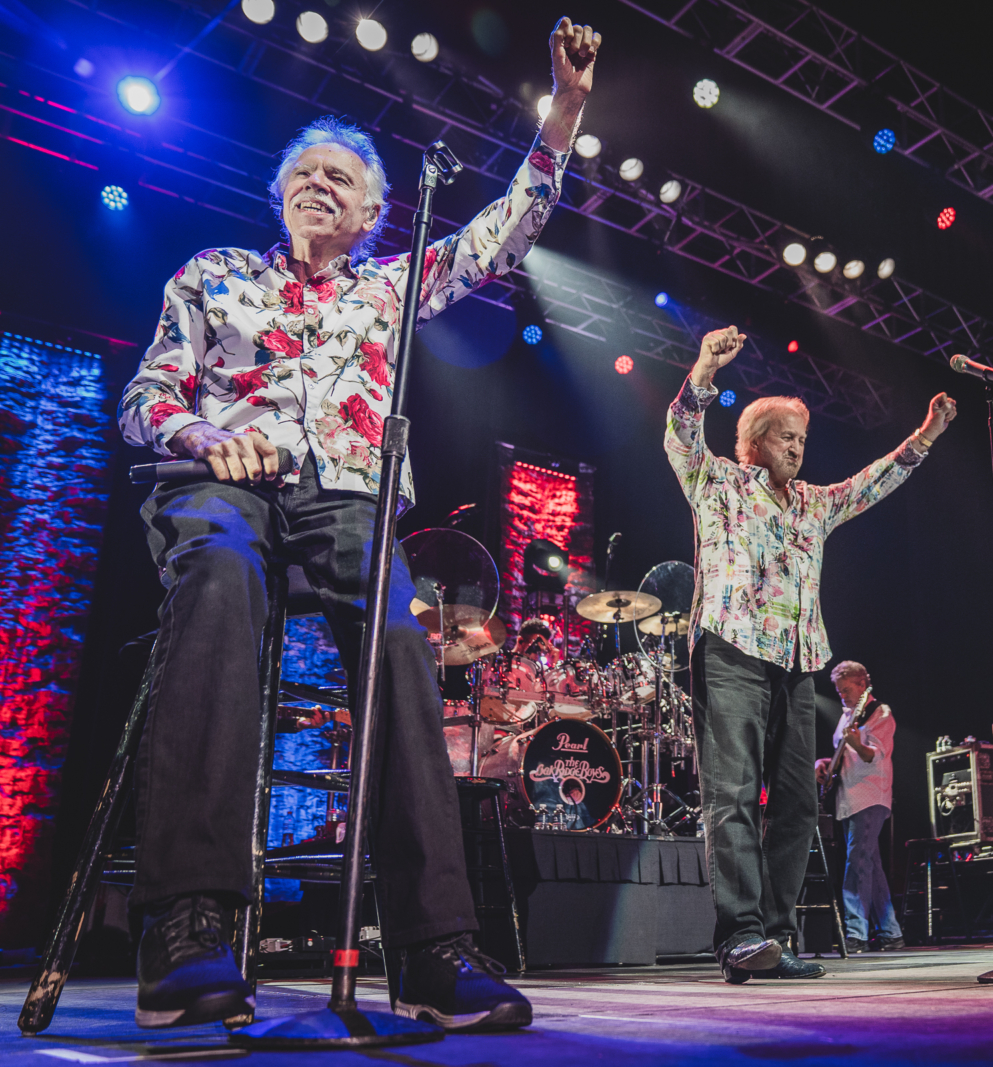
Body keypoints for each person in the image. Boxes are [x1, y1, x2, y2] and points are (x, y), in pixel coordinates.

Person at [116, 16, 601, 1032]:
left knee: (396, 637)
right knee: (216, 582)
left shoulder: (389, 284)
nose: (321, 183)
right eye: (307, 171)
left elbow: (506, 225)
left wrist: (563, 112)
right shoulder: (212, 275)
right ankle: (192, 922)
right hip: (226, 481)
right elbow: (146, 394)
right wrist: (205, 434)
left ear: (378, 212)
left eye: (343, 176)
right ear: (279, 191)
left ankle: (432, 949)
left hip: (344, 493)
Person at [665, 325, 956, 983]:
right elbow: (680, 435)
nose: (797, 447)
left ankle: (774, 934)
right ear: (755, 443)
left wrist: (927, 436)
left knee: (797, 803)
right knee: (734, 793)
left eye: (802, 440)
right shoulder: (719, 483)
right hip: (732, 649)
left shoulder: (814, 506)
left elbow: (871, 484)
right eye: (784, 437)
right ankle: (740, 935)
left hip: (797, 663)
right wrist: (705, 371)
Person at [813, 661, 903, 953]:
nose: (842, 696)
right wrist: (825, 764)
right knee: (870, 866)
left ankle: (856, 933)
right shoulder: (846, 716)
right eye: (839, 692)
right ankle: (891, 933)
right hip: (849, 798)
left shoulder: (879, 713)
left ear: (863, 685)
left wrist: (856, 742)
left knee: (857, 865)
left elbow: (874, 755)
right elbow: (845, 756)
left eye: (847, 690)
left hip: (870, 796)